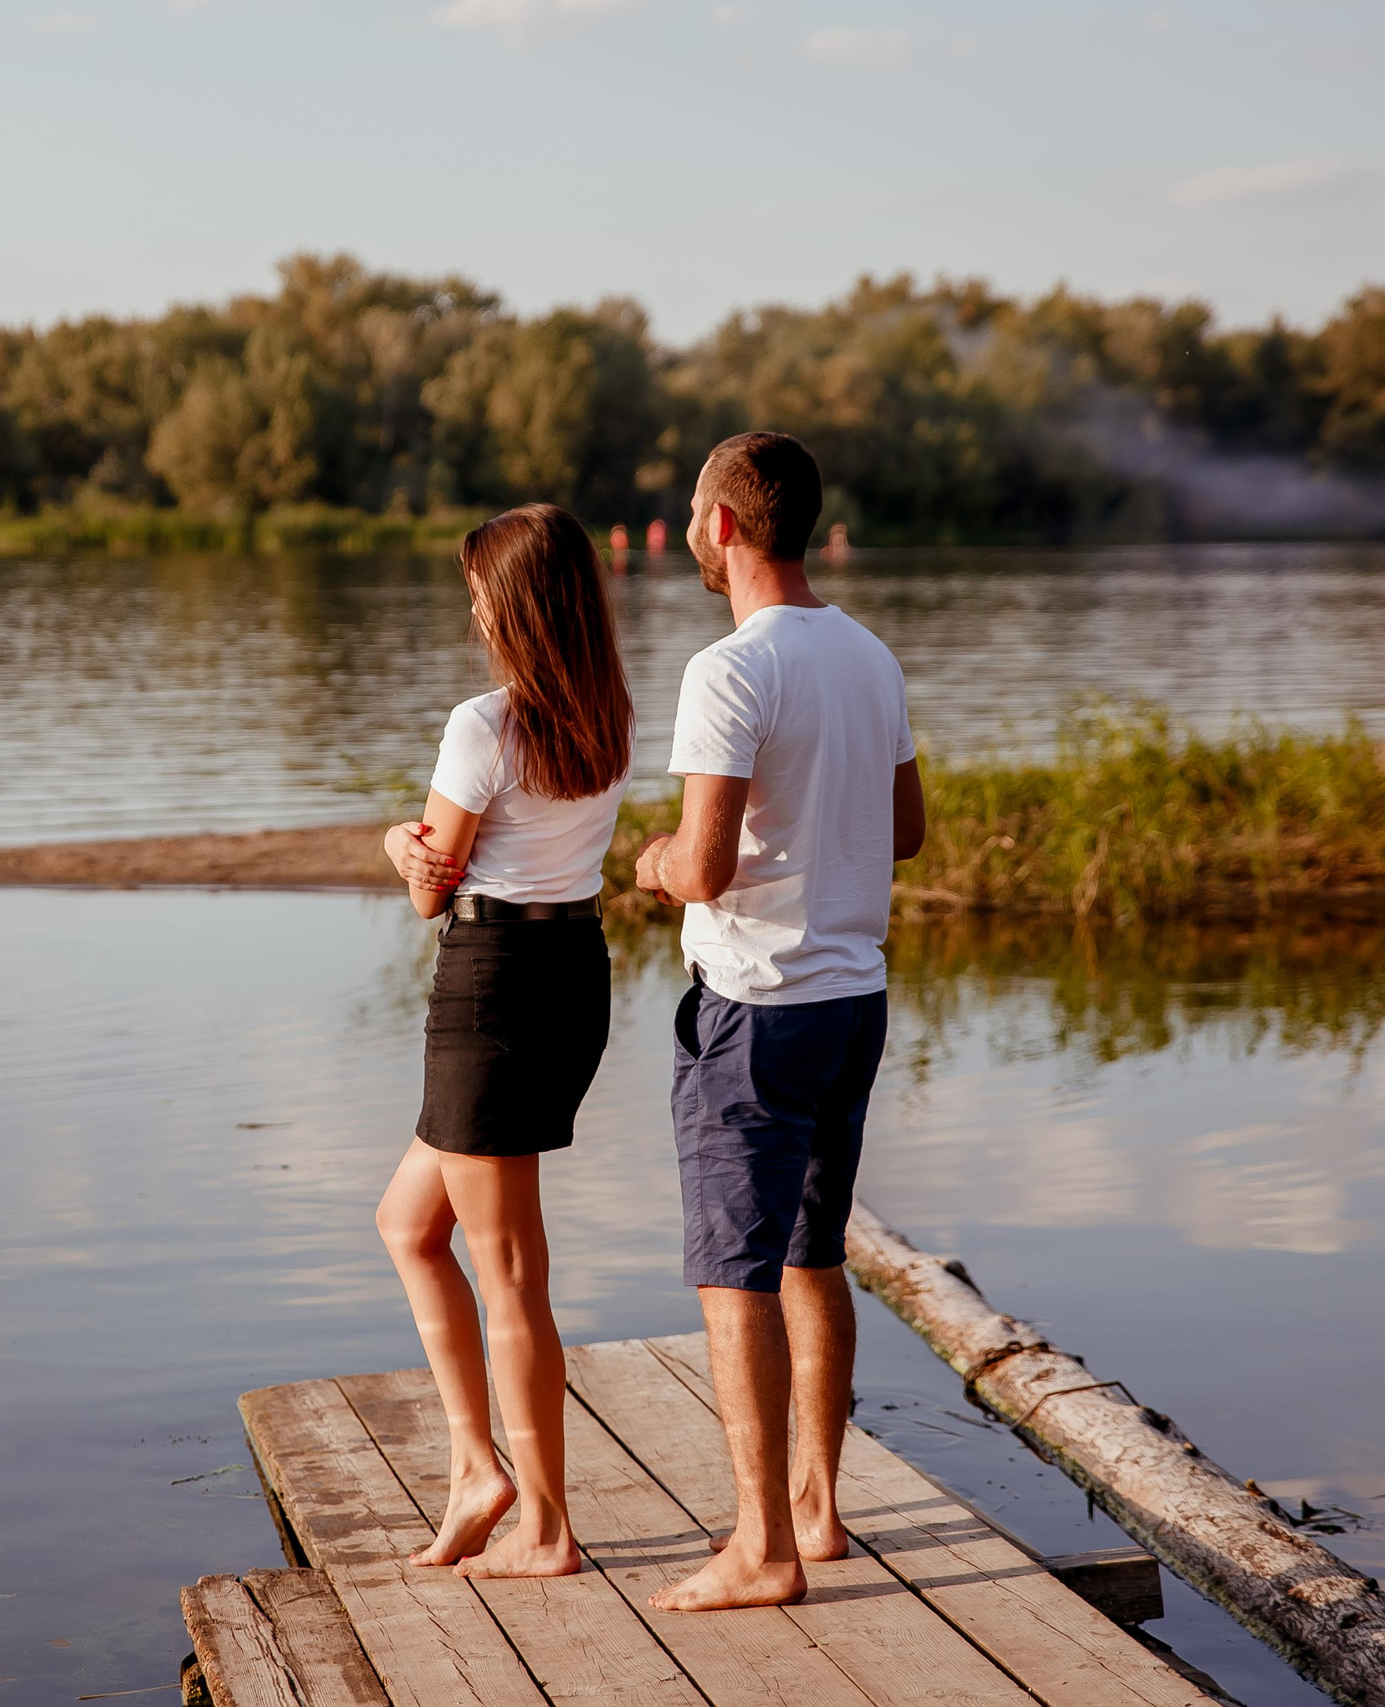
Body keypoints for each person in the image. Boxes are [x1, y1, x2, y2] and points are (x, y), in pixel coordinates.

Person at [632, 432, 924, 1612]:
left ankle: (761, 1551)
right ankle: (818, 1509)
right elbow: (904, 831)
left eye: (698, 512)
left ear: (722, 526)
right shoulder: (866, 652)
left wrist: (655, 862)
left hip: (754, 1008)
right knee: (813, 1254)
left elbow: (701, 866)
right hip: (852, 1000)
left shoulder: (729, 669)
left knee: (733, 1276)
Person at [374, 503, 635, 1580]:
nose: (471, 603)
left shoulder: (483, 725)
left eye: (479, 586)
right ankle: (477, 1467)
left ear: (512, 603)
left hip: (490, 991)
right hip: (571, 976)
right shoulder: (606, 715)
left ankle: (546, 1529)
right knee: (406, 1225)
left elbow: (433, 892)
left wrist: (398, 843)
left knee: (511, 1273)